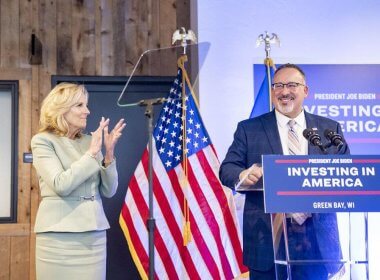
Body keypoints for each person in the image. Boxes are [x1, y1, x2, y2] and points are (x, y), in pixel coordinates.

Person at [219, 64, 349, 280]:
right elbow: (227, 169)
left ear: (305, 91)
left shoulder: (329, 129)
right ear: (272, 92)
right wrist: (242, 175)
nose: (284, 91)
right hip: (267, 236)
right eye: (278, 85)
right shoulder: (249, 129)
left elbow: (345, 173)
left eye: (292, 85)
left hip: (316, 238)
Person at [31, 82, 126, 280]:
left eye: (87, 105)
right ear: (61, 109)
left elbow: (109, 190)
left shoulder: (89, 141)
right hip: (58, 238)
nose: (88, 111)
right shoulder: (43, 141)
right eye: (80, 105)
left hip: (94, 237)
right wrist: (92, 153)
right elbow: (61, 184)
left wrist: (108, 153)